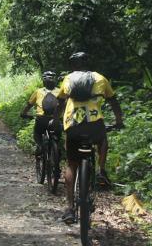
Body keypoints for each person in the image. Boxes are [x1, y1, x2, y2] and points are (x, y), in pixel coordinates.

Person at [55, 52, 124, 224]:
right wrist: (119, 121)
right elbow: (113, 101)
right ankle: (101, 171)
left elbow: (60, 102)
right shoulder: (100, 78)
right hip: (94, 124)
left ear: (73, 65)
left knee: (72, 164)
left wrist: (55, 119)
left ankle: (70, 208)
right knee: (103, 138)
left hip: (73, 125)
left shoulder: (68, 79)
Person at [20, 71, 61, 155]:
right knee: (57, 136)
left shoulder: (38, 91)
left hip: (42, 119)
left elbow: (29, 105)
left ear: (44, 81)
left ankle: (39, 146)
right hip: (56, 119)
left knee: (37, 134)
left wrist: (24, 113)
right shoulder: (60, 91)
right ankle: (57, 153)